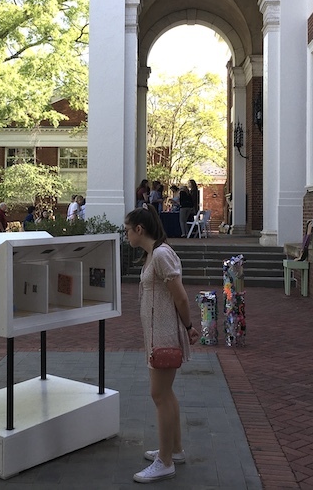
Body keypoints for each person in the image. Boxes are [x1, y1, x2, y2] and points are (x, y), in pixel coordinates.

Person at [124, 204, 200, 483]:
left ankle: (165, 461)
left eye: (127, 230)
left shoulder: (161, 254)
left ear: (139, 230)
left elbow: (180, 296)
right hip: (158, 334)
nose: (126, 235)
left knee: (159, 395)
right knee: (166, 394)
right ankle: (174, 450)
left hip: (165, 335)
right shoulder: (153, 255)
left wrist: (190, 327)